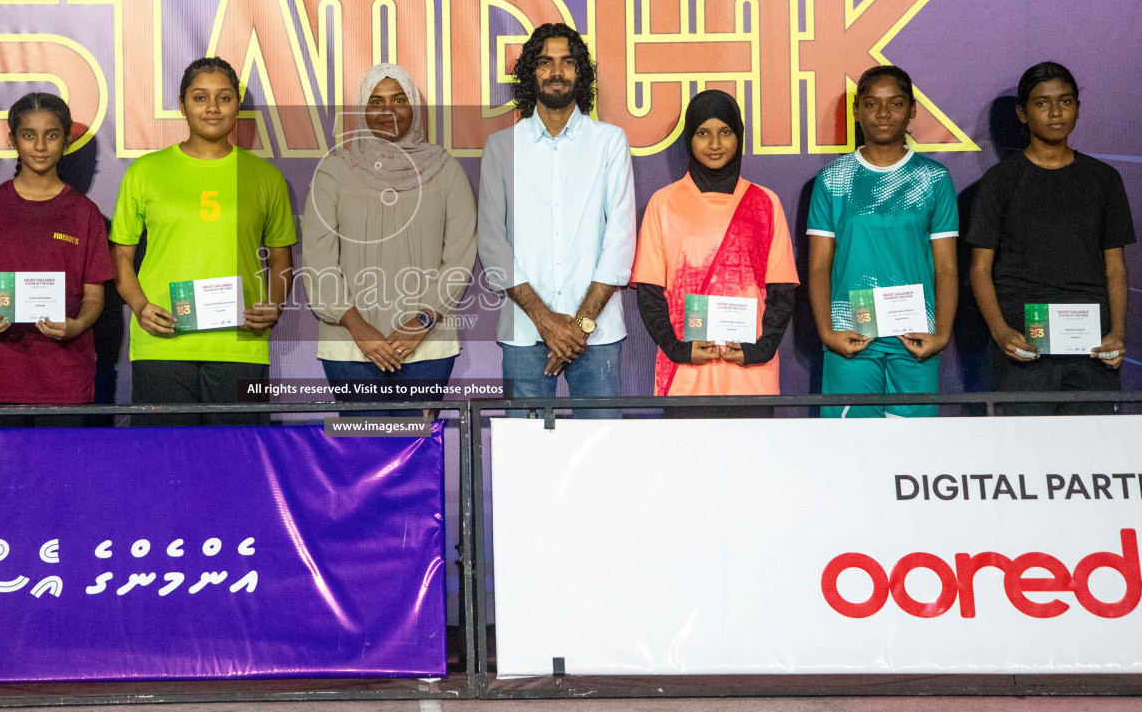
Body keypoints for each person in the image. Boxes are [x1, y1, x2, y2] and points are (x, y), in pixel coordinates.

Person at [111, 57, 296, 427]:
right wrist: (140, 305)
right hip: (162, 343)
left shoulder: (266, 177)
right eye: (200, 97)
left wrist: (273, 303)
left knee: (235, 465)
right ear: (182, 105)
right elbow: (120, 257)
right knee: (165, 465)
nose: (212, 107)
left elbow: (281, 262)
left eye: (224, 98)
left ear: (237, 106)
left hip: (239, 343)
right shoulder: (145, 172)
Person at [478, 23, 635, 418]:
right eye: (545, 62)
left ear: (580, 73)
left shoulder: (609, 142)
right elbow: (492, 243)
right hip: (525, 333)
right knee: (526, 462)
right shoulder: (502, 147)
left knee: (602, 456)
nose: (556, 72)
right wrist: (545, 320)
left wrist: (578, 327)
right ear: (531, 72)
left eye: (567, 62)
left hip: (596, 337)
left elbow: (620, 238)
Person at [303, 64, 477, 403]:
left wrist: (422, 321)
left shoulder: (446, 169)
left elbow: (460, 255)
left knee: (419, 449)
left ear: (413, 105)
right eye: (375, 101)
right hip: (350, 348)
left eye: (399, 99)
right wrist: (358, 327)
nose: (388, 110)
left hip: (427, 346)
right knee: (362, 450)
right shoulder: (334, 169)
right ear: (362, 110)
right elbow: (317, 259)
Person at [968, 61, 1133, 415]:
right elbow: (980, 269)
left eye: (1066, 101)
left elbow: (1115, 268)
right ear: (1022, 114)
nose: (1056, 113)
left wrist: (1116, 333)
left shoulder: (1104, 179)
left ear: (1077, 108)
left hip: (1092, 347)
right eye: (1042, 103)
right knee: (1022, 459)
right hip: (1022, 345)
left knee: (1093, 459)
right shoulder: (999, 182)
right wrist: (999, 331)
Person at [632, 90, 798, 415]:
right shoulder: (663, 204)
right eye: (703, 133)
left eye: (725, 131)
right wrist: (678, 350)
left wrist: (758, 352)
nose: (715, 144)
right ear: (689, 139)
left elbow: (782, 291)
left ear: (739, 136)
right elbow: (650, 293)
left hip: (752, 380)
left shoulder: (766, 203)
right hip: (684, 378)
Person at [807, 64, 958, 417]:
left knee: (912, 457)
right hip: (852, 338)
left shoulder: (933, 179)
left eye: (895, 103)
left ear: (912, 110)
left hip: (916, 338)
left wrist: (942, 334)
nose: (884, 114)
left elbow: (947, 266)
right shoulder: (834, 179)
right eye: (872, 104)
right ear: (857, 111)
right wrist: (828, 333)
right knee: (851, 454)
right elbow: (818, 266)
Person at [0, 93, 113, 425]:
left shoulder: (86, 214)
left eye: (51, 135)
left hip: (66, 382)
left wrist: (78, 325)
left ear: (67, 140)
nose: (40, 146)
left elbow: (95, 295)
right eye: (29, 135)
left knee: (64, 477)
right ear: (13, 139)